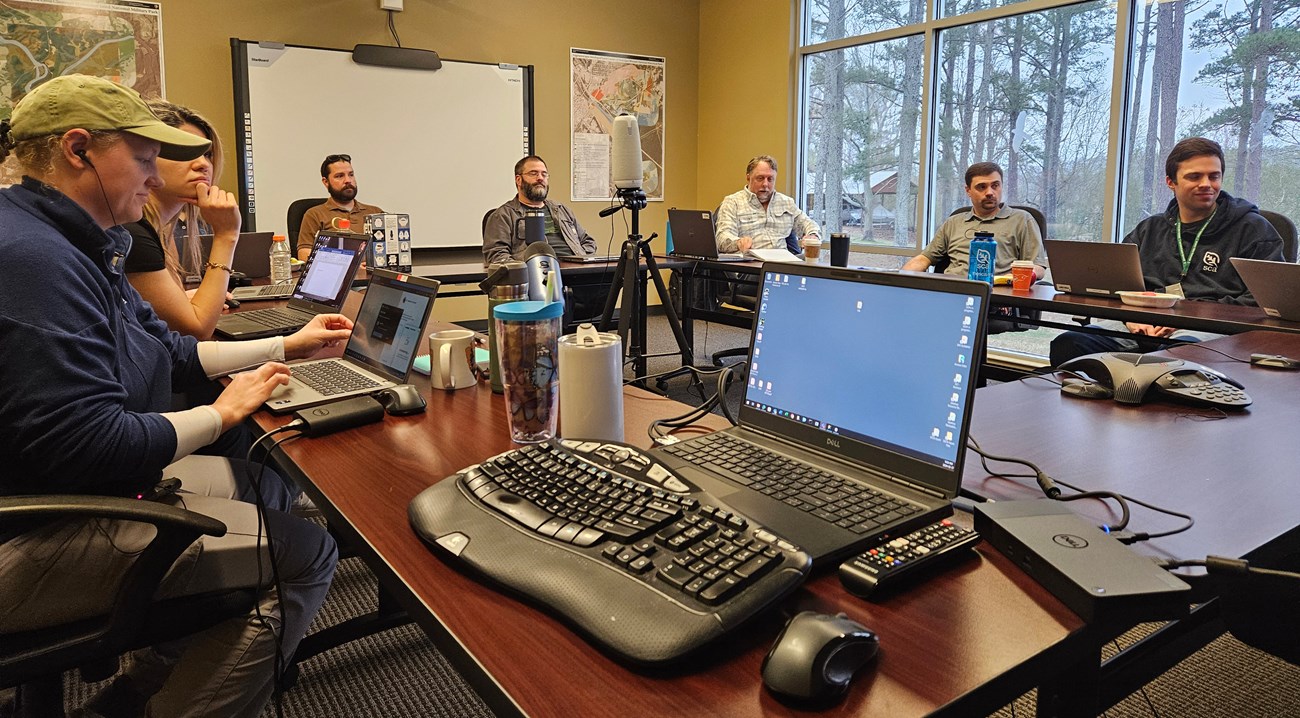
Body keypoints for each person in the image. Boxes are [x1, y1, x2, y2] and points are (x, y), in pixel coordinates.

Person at [0, 75, 345, 718]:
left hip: (66, 493)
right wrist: (219, 415)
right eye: (141, 158)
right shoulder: (34, 259)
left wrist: (282, 346)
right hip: (31, 529)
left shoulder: (74, 241)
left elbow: (171, 349)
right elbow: (88, 442)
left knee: (264, 487)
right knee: (308, 553)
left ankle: (147, 678)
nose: (155, 178)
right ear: (78, 150)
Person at [1049, 137, 1284, 366]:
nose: (1207, 184)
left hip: (1207, 329)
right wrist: (1129, 318)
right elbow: (1117, 286)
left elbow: (1264, 300)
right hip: (1143, 324)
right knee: (1069, 344)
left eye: (1214, 176)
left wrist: (1186, 316)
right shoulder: (1149, 229)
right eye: (1194, 176)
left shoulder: (1253, 229)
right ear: (1170, 182)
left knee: (1174, 360)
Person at [124, 99, 238, 339]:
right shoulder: (132, 232)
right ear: (147, 157)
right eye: (185, 152)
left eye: (207, 154)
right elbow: (196, 330)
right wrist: (226, 235)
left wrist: (180, 302)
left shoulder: (163, 228)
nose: (203, 164)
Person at [902, 161, 1045, 279]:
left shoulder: (1022, 220)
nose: (990, 192)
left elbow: (1038, 268)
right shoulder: (954, 222)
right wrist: (899, 283)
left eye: (995, 185)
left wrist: (1009, 282)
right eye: (981, 187)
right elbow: (923, 259)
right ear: (968, 190)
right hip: (953, 292)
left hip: (997, 294)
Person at [482, 154, 597, 266]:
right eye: (533, 173)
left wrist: (581, 259)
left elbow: (588, 241)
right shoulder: (503, 215)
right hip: (535, 275)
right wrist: (525, 269)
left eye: (544, 174)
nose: (540, 178)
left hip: (576, 272)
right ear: (518, 180)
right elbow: (496, 255)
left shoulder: (562, 210)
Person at [715, 155, 820, 254]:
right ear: (748, 178)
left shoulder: (786, 203)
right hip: (750, 264)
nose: (765, 184)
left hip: (782, 264)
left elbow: (808, 224)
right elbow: (722, 237)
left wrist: (812, 235)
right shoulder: (732, 202)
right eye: (760, 178)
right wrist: (738, 242)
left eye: (770, 179)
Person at [296, 153, 384, 260]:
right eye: (339, 176)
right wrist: (351, 266)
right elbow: (304, 254)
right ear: (326, 182)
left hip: (373, 275)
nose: (348, 180)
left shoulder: (376, 212)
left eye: (351, 174)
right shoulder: (314, 214)